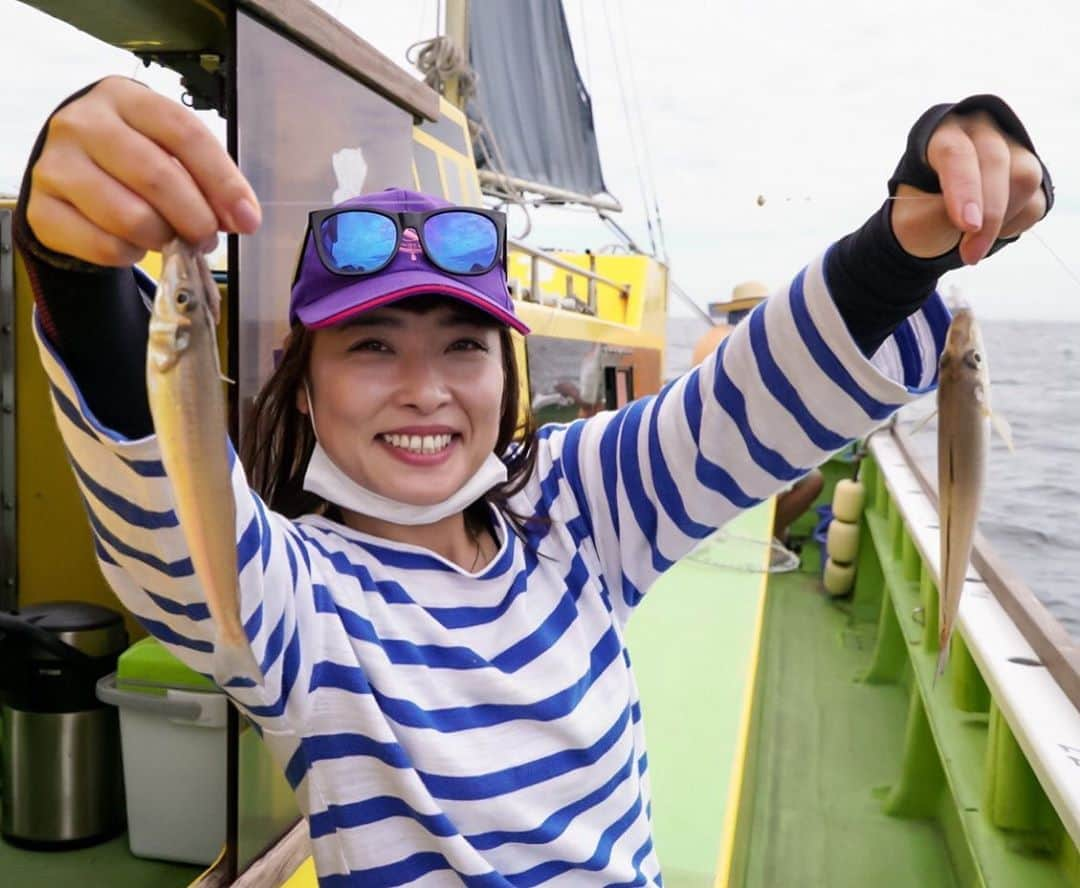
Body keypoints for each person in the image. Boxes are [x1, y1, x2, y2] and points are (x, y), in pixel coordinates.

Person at [17, 77, 1050, 885]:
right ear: (303, 391)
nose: (425, 390)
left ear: (505, 372)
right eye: (371, 348)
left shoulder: (576, 509)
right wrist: (71, 263)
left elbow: (753, 398)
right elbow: (160, 507)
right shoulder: (299, 600)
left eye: (464, 346)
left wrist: (906, 239)